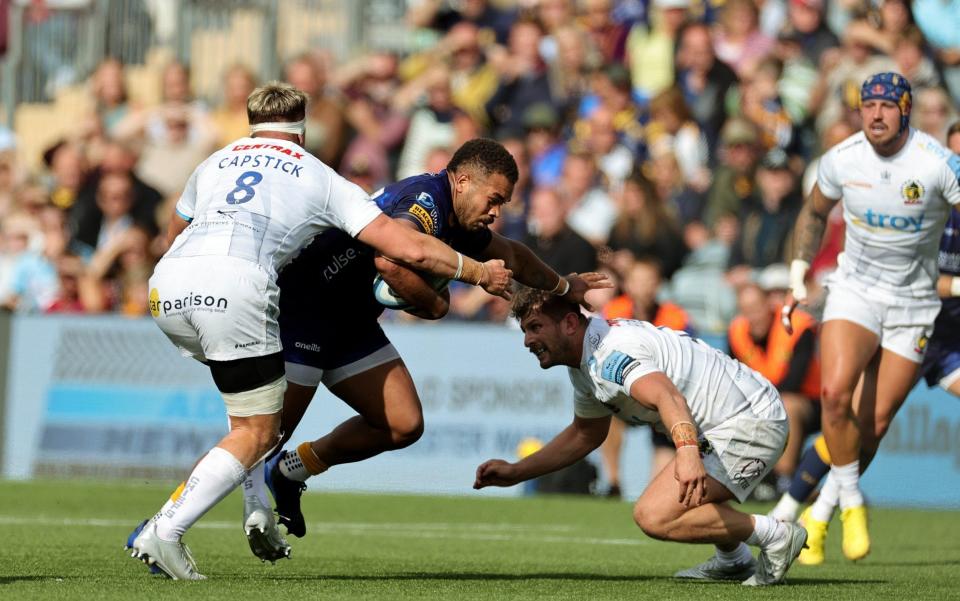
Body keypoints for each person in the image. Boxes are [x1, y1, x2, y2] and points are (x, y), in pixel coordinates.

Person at [126, 83, 513, 580]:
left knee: (257, 422)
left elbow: (174, 231)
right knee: (258, 430)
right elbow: (403, 249)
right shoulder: (319, 175)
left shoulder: (214, 161)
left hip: (169, 289)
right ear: (304, 131)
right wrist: (477, 275)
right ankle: (167, 528)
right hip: (250, 292)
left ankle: (257, 500)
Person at [263, 138, 611, 540]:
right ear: (462, 181)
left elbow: (513, 256)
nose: (496, 213)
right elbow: (393, 257)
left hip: (350, 323)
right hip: (305, 313)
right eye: (493, 199)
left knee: (403, 424)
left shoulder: (459, 218)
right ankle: (176, 523)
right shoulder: (426, 198)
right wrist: (445, 297)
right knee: (263, 436)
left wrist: (565, 287)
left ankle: (290, 471)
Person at [474, 288, 806, 586]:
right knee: (680, 494)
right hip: (733, 420)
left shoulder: (609, 357)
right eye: (525, 331)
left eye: (535, 328)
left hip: (750, 421)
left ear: (571, 324)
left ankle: (776, 535)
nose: (527, 341)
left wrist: (688, 453)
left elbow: (667, 397)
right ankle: (733, 560)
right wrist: (517, 471)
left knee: (654, 515)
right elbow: (584, 434)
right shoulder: (585, 363)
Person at [782, 73, 960, 564]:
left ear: (905, 110)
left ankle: (818, 515)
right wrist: (798, 271)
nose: (876, 114)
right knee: (835, 394)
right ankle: (853, 503)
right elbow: (814, 212)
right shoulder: (842, 159)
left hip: (913, 306)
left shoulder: (938, 164)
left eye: (886, 105)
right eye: (868, 105)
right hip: (855, 292)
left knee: (873, 424)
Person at [728, 282, 820, 493]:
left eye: (757, 309)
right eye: (747, 311)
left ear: (769, 304)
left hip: (810, 403)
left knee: (786, 404)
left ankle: (783, 478)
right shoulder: (737, 332)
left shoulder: (797, 325)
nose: (754, 317)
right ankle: (742, 479)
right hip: (764, 402)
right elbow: (732, 380)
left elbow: (794, 382)